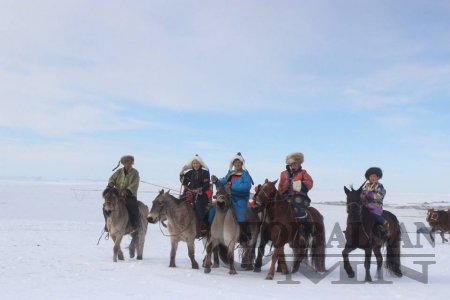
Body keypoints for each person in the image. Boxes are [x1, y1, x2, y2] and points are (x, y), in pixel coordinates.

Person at [211, 152, 254, 243]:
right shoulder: (231, 174)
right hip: (229, 197)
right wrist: (216, 181)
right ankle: (213, 230)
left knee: (241, 213)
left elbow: (247, 186)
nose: (237, 164)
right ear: (233, 164)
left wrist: (232, 187)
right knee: (216, 209)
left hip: (241, 198)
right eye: (236, 163)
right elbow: (223, 182)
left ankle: (244, 234)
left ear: (242, 164)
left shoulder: (245, 174)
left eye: (239, 163)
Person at [104, 155, 140, 232]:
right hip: (117, 195)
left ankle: (134, 225)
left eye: (130, 162)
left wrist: (127, 191)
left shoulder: (135, 173)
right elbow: (112, 178)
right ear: (123, 163)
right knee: (106, 206)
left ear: (132, 163)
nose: (128, 164)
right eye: (126, 162)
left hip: (129, 195)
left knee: (133, 207)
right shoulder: (119, 172)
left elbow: (135, 183)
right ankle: (107, 224)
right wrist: (111, 183)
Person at [179, 154, 212, 238]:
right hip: (190, 193)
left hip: (201, 194)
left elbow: (207, 185)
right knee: (180, 203)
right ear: (192, 164)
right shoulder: (190, 173)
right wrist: (182, 172)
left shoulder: (205, 172)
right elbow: (184, 182)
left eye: (197, 163)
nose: (195, 165)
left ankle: (198, 231)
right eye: (194, 163)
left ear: (200, 164)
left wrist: (200, 190)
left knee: (198, 207)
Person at [278, 152, 313, 220]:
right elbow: (280, 187)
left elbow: (310, 183)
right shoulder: (283, 174)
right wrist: (283, 189)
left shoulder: (303, 173)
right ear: (291, 163)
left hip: (300, 196)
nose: (298, 164)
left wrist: (297, 184)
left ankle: (305, 227)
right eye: (297, 162)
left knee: (298, 207)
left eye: (299, 163)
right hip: (286, 196)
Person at [361, 167, 389, 239]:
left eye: (374, 176)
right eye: (371, 176)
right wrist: (362, 196)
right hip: (366, 205)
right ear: (368, 178)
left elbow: (381, 195)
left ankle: (384, 223)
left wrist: (371, 195)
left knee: (374, 214)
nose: (372, 178)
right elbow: (362, 194)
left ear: (378, 177)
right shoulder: (366, 186)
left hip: (376, 205)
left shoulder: (379, 186)